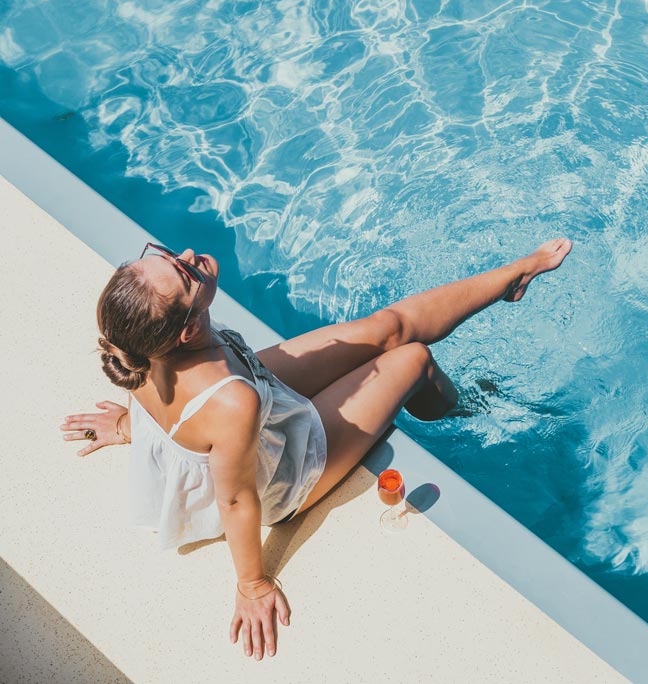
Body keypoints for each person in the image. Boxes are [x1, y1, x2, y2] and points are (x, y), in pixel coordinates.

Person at [61, 237, 572, 661]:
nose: (190, 254)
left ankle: (513, 276)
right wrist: (253, 585)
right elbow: (236, 500)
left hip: (256, 395)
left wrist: (132, 425)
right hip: (287, 469)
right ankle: (465, 418)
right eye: (184, 271)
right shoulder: (230, 403)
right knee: (414, 358)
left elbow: (166, 409)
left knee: (386, 329)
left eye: (169, 254)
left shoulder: (131, 336)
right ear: (189, 327)